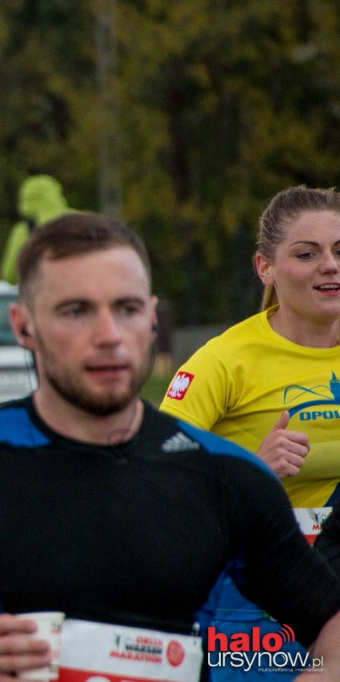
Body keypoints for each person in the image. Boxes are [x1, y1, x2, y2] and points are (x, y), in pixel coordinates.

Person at [0, 213, 340, 681]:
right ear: (23, 326)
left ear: (153, 319)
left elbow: (328, 623)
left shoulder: (227, 477)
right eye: (76, 311)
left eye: (128, 309)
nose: (108, 335)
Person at [160, 186, 340, 680]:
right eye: (308, 254)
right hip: (256, 599)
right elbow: (154, 478)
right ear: (266, 269)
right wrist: (251, 474)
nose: (330, 265)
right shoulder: (225, 359)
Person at [0, 174, 73, 284]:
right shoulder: (85, 222)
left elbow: (10, 275)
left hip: (44, 296)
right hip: (87, 293)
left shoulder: (25, 231)